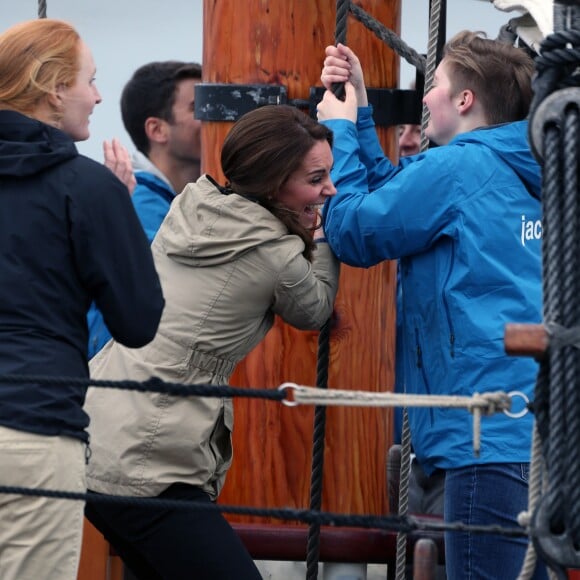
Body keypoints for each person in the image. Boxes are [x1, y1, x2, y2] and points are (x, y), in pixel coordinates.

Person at [318, 31, 546, 579]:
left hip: (481, 440)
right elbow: (403, 199)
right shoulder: (519, 168)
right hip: (532, 435)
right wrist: (365, 118)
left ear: (464, 101)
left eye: (435, 83)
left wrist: (339, 129)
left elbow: (352, 230)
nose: (425, 97)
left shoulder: (457, 170)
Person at [83, 104, 340, 580]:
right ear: (272, 182)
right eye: (317, 178)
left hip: (101, 434)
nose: (331, 189)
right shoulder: (276, 254)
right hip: (152, 463)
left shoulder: (191, 204)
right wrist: (323, 238)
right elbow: (314, 308)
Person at [0, 18, 165, 580]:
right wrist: (117, 214)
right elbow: (139, 321)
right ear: (52, 88)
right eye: (89, 81)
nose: (98, 96)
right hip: (32, 433)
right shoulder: (88, 188)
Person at [87, 60, 202, 358]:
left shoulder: (167, 201)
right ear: (157, 129)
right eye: (198, 106)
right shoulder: (142, 205)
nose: (213, 116)